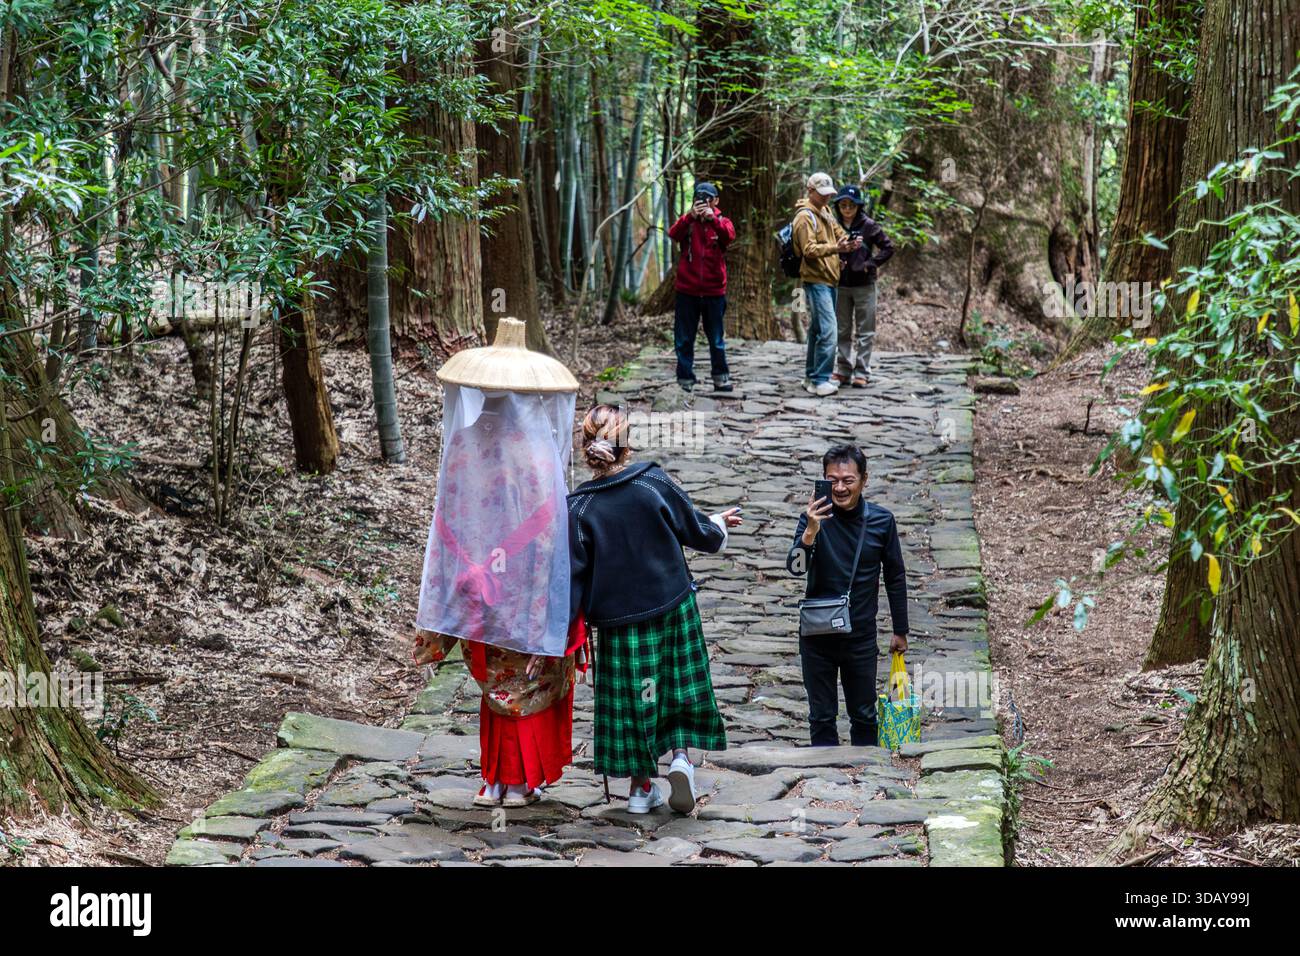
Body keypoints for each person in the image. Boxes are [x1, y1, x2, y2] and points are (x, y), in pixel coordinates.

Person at [412, 319, 584, 808]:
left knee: (495, 676)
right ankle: (517, 778)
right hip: (524, 579)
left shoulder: (462, 442)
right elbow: (550, 521)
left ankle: (494, 779)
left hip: (472, 578)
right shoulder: (535, 450)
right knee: (525, 673)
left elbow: (450, 509)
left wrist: (465, 564)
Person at [567, 404, 742, 813]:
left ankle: (640, 789)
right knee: (675, 685)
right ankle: (679, 759)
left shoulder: (578, 507)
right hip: (672, 606)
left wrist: (568, 634)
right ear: (627, 444)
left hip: (618, 625)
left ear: (585, 448)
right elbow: (696, 531)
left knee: (632, 698)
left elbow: (572, 575)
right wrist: (716, 523)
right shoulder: (652, 481)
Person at [786, 444, 908, 746]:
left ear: (863, 480)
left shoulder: (881, 521)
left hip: (860, 635)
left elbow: (895, 575)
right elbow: (796, 568)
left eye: (848, 480)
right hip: (816, 634)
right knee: (821, 716)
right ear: (824, 481)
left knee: (865, 714)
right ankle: (822, 783)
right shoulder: (812, 519)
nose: (840, 487)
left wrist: (900, 630)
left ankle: (867, 779)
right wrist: (810, 532)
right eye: (833, 479)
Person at [792, 172, 861, 397]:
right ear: (810, 191)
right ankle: (821, 379)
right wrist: (836, 249)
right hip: (816, 279)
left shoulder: (826, 211)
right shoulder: (804, 217)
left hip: (830, 278)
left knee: (817, 330)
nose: (826, 199)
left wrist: (849, 241)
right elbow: (809, 250)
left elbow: (838, 234)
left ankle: (811, 376)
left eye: (828, 195)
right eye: (822, 195)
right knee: (829, 330)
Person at [665, 181, 736, 393]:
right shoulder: (688, 222)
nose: (703, 202)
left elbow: (729, 236)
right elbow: (673, 233)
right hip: (687, 290)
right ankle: (685, 378)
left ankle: (721, 378)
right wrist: (690, 217)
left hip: (714, 291)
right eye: (699, 197)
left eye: (708, 198)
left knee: (716, 338)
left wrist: (713, 220)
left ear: (715, 201)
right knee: (684, 337)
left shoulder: (722, 221)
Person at [831, 184, 894, 387]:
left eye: (851, 205)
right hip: (841, 283)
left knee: (865, 329)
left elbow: (888, 247)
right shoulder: (833, 225)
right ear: (838, 206)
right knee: (842, 329)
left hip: (865, 285)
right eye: (843, 205)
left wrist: (870, 264)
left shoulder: (868, 225)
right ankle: (843, 370)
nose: (847, 209)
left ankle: (862, 371)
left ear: (858, 206)